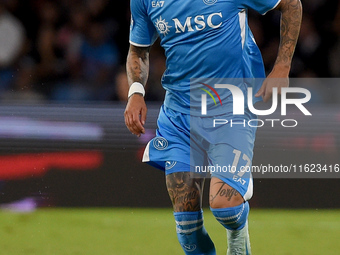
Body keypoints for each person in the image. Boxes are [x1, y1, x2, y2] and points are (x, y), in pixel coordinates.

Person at [124, 0, 302, 254]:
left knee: (225, 206)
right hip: (179, 114)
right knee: (187, 226)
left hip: (231, 107)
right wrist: (136, 92)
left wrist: (282, 67)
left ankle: (238, 236)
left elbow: (292, 4)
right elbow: (138, 50)